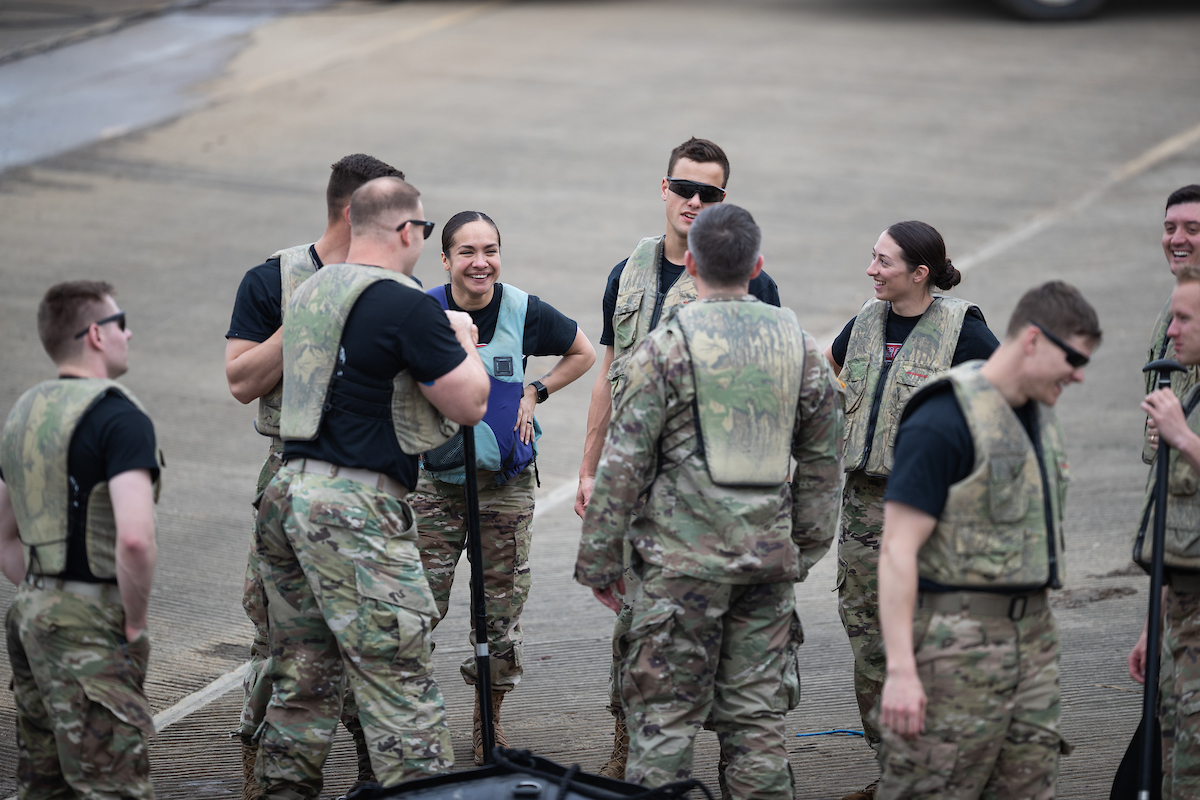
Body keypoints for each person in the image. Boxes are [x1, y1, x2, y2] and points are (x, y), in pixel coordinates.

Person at [576, 204, 843, 800]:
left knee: (664, 724)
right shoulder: (801, 352)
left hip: (677, 572)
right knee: (756, 724)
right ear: (757, 266)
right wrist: (800, 548)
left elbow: (623, 466)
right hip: (765, 571)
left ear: (690, 263)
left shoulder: (662, 350)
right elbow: (825, 466)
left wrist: (598, 563)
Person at [253, 176, 490, 797]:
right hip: (354, 508)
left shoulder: (310, 292)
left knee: (300, 679)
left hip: (288, 490)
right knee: (399, 683)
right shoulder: (406, 303)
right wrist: (463, 343)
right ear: (408, 232)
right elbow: (468, 405)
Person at [574, 136, 780, 778]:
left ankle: (716, 769)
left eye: (710, 193)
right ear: (663, 189)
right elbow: (607, 372)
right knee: (635, 637)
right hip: (638, 494)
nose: (694, 201)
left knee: (731, 668)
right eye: (684, 188)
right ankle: (622, 754)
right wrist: (589, 467)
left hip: (712, 507)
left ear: (724, 200)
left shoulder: (754, 281)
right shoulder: (626, 273)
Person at [876, 281, 1101, 799]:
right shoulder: (944, 418)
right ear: (1033, 342)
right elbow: (896, 550)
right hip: (954, 652)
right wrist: (902, 672)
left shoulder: (1040, 417)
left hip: (1033, 647)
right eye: (1073, 358)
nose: (1081, 375)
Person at [225, 153, 405, 797]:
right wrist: (308, 314)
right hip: (289, 474)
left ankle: (373, 777)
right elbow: (242, 381)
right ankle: (264, 774)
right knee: (282, 643)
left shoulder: (393, 288)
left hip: (369, 484)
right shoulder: (275, 278)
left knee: (377, 639)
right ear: (357, 213)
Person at [409, 210, 595, 764]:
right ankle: (412, 723)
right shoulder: (423, 311)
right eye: (466, 252)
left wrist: (536, 390)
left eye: (489, 250)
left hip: (504, 488)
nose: (480, 262)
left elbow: (583, 352)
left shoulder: (521, 308)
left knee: (499, 614)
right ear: (444, 260)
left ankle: (487, 724)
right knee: (415, 610)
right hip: (434, 486)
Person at [822, 221, 998, 800]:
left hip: (931, 516)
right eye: (872, 257)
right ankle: (896, 770)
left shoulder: (962, 331)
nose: (871, 270)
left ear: (919, 273)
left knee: (930, 644)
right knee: (868, 640)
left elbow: (1003, 403)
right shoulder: (867, 322)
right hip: (865, 513)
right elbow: (833, 366)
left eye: (884, 262)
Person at [0, 281, 162, 798]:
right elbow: (135, 539)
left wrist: (43, 591)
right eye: (121, 322)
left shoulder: (24, 413)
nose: (128, 332)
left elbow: (2, 532)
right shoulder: (120, 418)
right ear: (96, 334)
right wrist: (133, 621)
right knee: (111, 783)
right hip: (90, 625)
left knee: (43, 782)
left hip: (29, 615)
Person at [1128, 262, 1200, 799]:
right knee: (1175, 762)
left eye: (1183, 319)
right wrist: (1154, 626)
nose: (1169, 332)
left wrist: (1182, 436)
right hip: (1182, 611)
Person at [1141, 186, 1200, 464]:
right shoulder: (1172, 307)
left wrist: (1182, 436)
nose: (1177, 239)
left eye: (1192, 229)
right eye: (1169, 228)